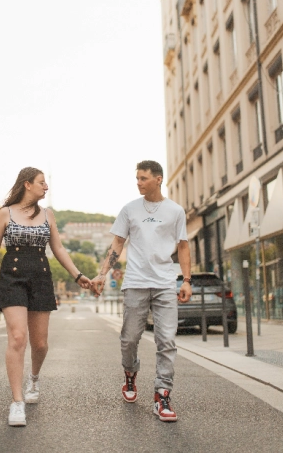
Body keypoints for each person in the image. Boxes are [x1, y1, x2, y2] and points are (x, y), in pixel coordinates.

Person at [0, 167, 92, 427]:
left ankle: (34, 378)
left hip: (41, 277)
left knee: (40, 344)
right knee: (18, 337)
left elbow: (59, 248)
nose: (46, 187)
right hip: (13, 276)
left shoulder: (48, 215)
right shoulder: (4, 214)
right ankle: (17, 401)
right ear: (27, 184)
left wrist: (78, 275)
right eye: (42, 183)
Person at [91, 160, 192, 422]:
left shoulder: (175, 211)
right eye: (136, 178)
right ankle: (130, 374)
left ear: (158, 179)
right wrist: (102, 274)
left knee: (166, 340)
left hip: (165, 284)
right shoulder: (130, 210)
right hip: (135, 282)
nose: (138, 182)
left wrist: (187, 280)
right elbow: (117, 243)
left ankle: (162, 394)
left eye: (143, 178)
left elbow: (182, 246)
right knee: (129, 339)